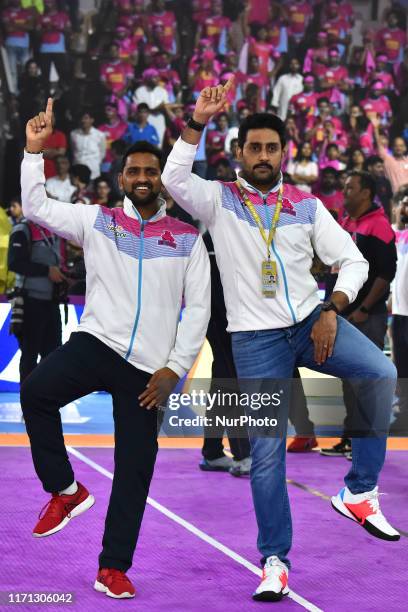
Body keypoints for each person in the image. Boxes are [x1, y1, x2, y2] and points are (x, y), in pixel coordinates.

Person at [162, 79, 400, 603]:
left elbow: (354, 261)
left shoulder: (307, 206)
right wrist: (197, 120)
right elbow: (173, 175)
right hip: (254, 341)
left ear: (284, 153)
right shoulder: (218, 200)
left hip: (312, 324)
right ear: (240, 152)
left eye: (272, 147)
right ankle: (275, 561)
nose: (264, 155)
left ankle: (359, 491)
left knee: (379, 374)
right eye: (255, 147)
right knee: (268, 455)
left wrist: (333, 309)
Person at [20, 99, 210, 599]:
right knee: (36, 391)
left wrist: (174, 368)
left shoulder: (188, 239)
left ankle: (113, 567)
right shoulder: (97, 221)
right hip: (96, 343)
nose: (143, 177)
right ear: (121, 177)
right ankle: (65, 490)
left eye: (151, 170)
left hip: (149, 371)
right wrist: (33, 152)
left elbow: (200, 311)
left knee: (134, 470)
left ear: (161, 180)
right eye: (134, 170)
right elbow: (36, 207)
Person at [320, 172, 397, 458]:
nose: (344, 192)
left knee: (367, 380)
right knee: (347, 379)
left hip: (366, 317)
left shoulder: (379, 225)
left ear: (366, 193)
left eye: (350, 188)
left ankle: (365, 444)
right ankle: (349, 438)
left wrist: (364, 309)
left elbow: (386, 273)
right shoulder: (345, 222)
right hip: (342, 316)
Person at [7, 198, 64, 383]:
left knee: (54, 355)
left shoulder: (54, 230)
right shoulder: (22, 229)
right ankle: (28, 406)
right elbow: (14, 263)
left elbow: (55, 261)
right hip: (30, 301)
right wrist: (47, 271)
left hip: (52, 301)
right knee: (30, 355)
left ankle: (47, 403)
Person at [390, 190, 408, 435]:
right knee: (401, 367)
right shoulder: (400, 236)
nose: (405, 209)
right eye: (403, 205)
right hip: (400, 311)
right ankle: (403, 415)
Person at [70, 111, 106, 180]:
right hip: (78, 170)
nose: (83, 120)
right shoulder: (73, 134)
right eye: (81, 118)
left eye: (86, 118)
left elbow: (102, 153)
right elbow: (73, 151)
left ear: (92, 120)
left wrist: (95, 163)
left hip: (93, 172)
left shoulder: (100, 135)